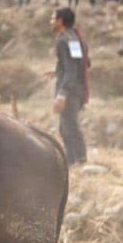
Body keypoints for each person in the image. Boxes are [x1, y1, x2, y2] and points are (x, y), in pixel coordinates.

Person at [47, 8, 88, 165]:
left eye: (52, 18)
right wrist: (57, 71)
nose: (51, 21)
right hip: (75, 87)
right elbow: (76, 64)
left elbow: (72, 70)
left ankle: (79, 159)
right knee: (65, 127)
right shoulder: (73, 38)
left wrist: (62, 95)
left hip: (71, 91)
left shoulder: (65, 40)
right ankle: (71, 161)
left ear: (60, 21)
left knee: (70, 126)